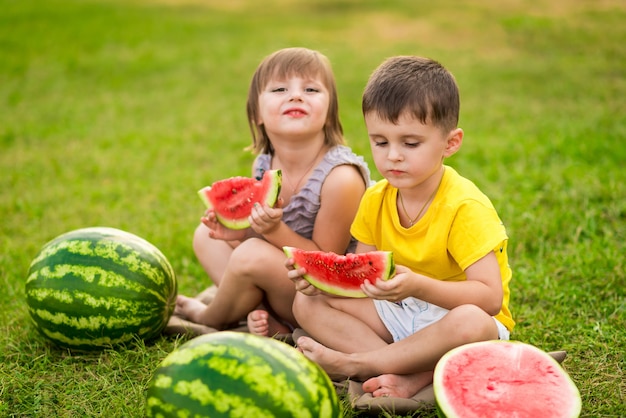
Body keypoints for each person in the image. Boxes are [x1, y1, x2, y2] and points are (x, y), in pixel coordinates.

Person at [288, 55, 514, 399]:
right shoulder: (375, 197)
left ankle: (359, 364)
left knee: (471, 321)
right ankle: (407, 373)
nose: (393, 156)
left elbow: (489, 298)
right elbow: (359, 277)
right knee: (306, 306)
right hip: (399, 313)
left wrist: (418, 287)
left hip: (454, 320)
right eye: (380, 142)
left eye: (410, 143)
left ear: (450, 143)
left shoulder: (465, 206)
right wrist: (317, 282)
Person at [170, 47, 371, 337]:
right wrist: (241, 234)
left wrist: (271, 231)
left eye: (311, 89)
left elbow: (323, 266)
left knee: (251, 254)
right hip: (284, 280)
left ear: (329, 114)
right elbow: (260, 237)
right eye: (279, 88)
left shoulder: (341, 178)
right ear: (257, 114)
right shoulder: (264, 164)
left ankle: (211, 316)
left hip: (322, 299)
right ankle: (268, 317)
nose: (296, 95)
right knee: (205, 237)